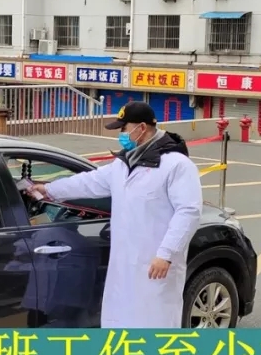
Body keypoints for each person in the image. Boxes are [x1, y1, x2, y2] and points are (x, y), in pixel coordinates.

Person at [27, 101, 202, 328]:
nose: (121, 135)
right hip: (124, 265)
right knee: (122, 323)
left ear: (141, 128)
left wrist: (166, 254)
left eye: (123, 128)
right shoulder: (124, 163)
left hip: (156, 264)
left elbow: (188, 212)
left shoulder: (176, 165)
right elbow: (88, 183)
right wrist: (49, 190)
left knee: (153, 325)